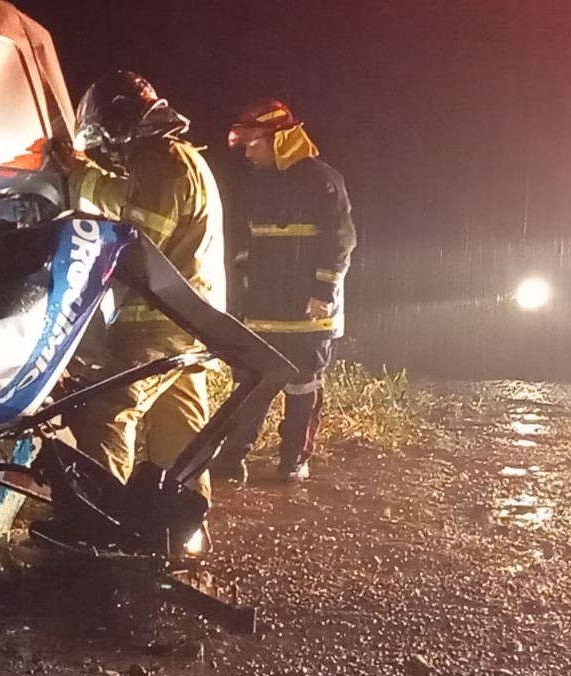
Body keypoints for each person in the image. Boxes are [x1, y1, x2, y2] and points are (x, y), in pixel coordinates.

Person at [64, 70, 227, 534]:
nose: (106, 153)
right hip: (192, 324)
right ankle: (182, 530)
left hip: (155, 325)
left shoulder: (157, 160)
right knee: (181, 433)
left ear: (119, 126)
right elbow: (125, 199)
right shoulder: (180, 159)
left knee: (107, 411)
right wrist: (85, 175)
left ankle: (99, 526)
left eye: (104, 142)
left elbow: (136, 244)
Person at [213, 100, 356, 484]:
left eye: (252, 144)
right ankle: (230, 460)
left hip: (309, 312)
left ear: (280, 139)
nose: (247, 152)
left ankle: (292, 462)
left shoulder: (322, 180)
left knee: (302, 388)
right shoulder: (257, 183)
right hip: (262, 310)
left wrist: (323, 290)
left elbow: (341, 240)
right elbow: (244, 246)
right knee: (250, 384)